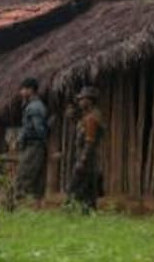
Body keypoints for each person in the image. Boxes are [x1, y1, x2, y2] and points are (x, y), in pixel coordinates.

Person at [67, 86, 104, 214]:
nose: (80, 102)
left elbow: (89, 142)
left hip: (88, 160)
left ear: (90, 101)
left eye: (83, 99)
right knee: (88, 193)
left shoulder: (91, 118)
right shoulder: (89, 116)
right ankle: (87, 216)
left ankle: (69, 212)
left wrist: (82, 161)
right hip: (90, 161)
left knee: (74, 189)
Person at [16, 77, 49, 207]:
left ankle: (17, 205)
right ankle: (36, 206)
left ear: (30, 90)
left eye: (23, 89)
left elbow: (39, 128)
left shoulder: (34, 107)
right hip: (35, 145)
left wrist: (40, 141)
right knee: (34, 176)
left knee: (24, 175)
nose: (21, 92)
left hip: (34, 145)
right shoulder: (32, 106)